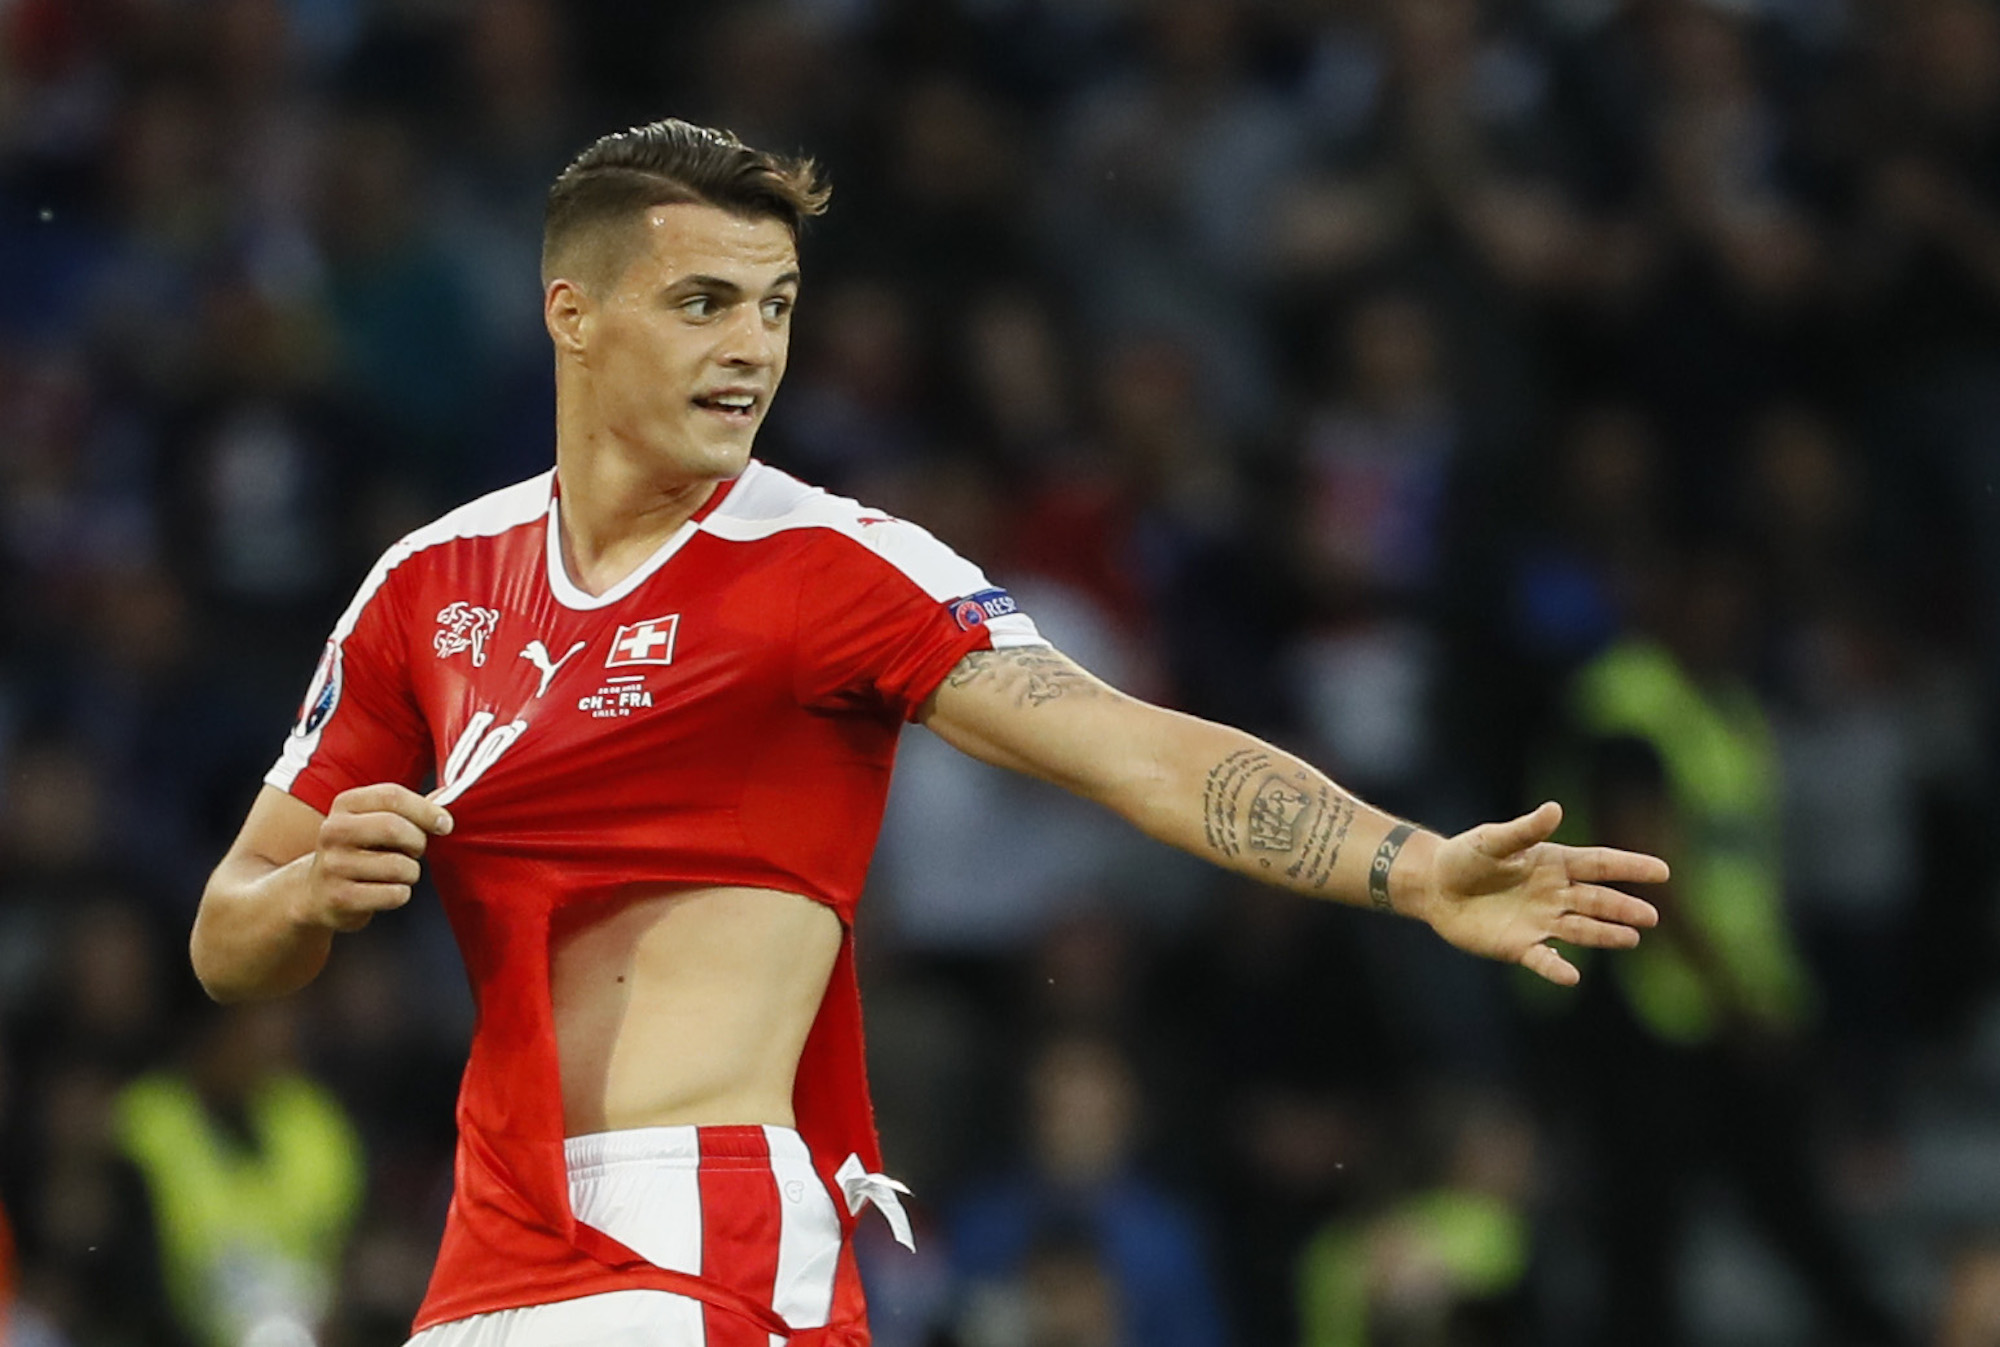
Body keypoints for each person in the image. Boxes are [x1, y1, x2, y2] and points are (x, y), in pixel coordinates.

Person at [188, 119, 1669, 1347]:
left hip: (699, 1227)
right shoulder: (429, 586)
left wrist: (1406, 868)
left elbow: (1128, 747)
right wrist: (311, 895)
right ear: (572, 314)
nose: (751, 350)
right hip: (488, 1238)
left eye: (775, 306)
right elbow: (226, 934)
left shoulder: (833, 571)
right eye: (704, 302)